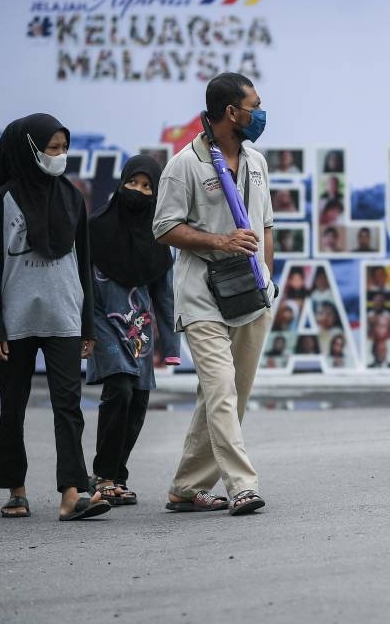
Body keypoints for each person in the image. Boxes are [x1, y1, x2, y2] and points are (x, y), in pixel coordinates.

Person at [152, 72, 274, 516]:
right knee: (221, 390)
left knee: (227, 396)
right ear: (231, 112)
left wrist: (268, 279)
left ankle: (186, 486)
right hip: (202, 297)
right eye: (254, 106)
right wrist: (220, 241)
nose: (261, 113)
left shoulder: (257, 162)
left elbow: (265, 226)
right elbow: (163, 227)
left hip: (252, 295)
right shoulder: (185, 163)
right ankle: (242, 485)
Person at [0, 113, 110, 521]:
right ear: (30, 150)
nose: (60, 156)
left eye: (63, 148)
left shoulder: (73, 197)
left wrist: (87, 325)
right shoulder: (4, 199)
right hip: (16, 321)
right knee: (13, 407)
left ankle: (71, 494)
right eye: (52, 149)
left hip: (65, 317)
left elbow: (84, 263)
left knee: (68, 407)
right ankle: (16, 491)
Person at [86, 154, 180, 506]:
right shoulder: (94, 228)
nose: (138, 191)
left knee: (138, 402)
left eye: (147, 187)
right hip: (101, 321)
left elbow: (164, 297)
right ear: (121, 182)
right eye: (132, 183)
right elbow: (80, 284)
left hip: (139, 330)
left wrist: (171, 346)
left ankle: (115, 475)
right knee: (120, 391)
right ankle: (105, 474)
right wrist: (84, 330)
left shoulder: (158, 241)